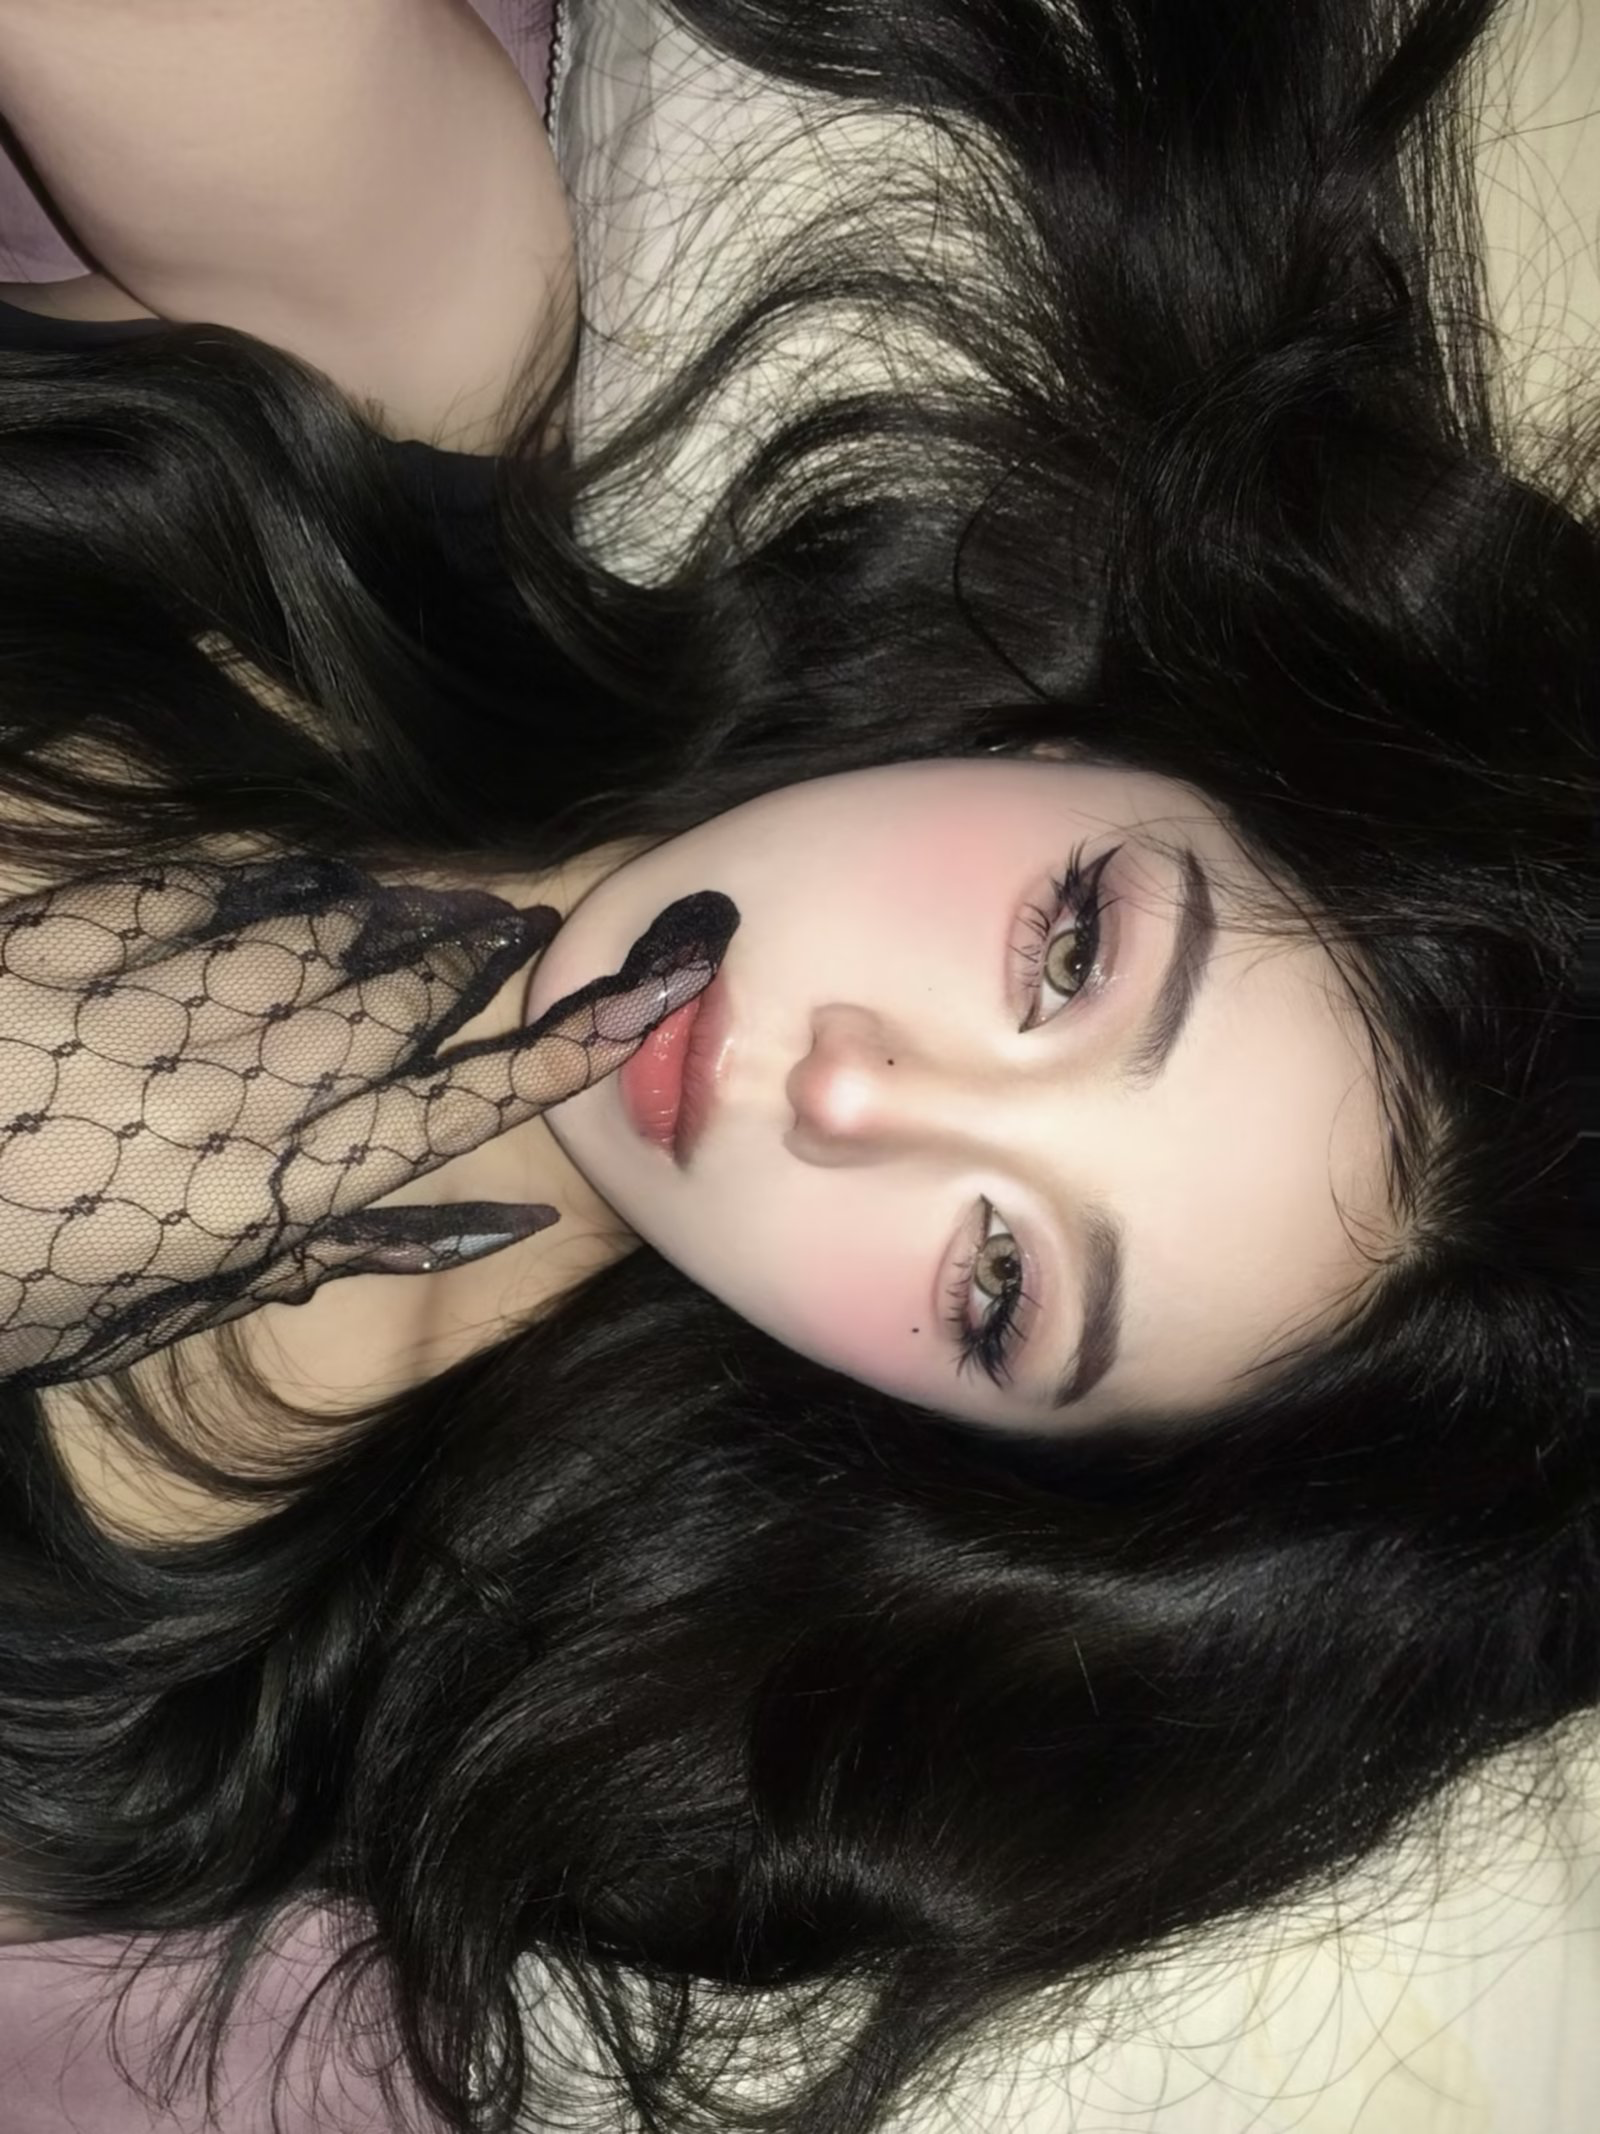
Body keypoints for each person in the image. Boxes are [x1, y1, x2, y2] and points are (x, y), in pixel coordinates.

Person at [0, 3, 1591, 2133]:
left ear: (943, 1431)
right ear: (1076, 737)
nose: (845, 1096)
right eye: (1072, 947)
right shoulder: (387, 367)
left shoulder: (155, 1710)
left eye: (999, 1282)